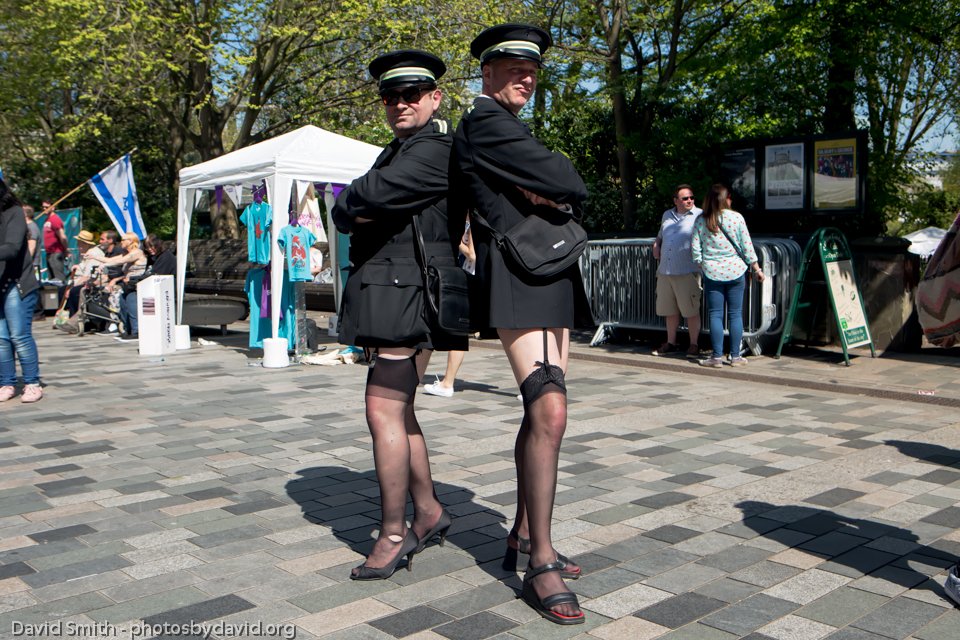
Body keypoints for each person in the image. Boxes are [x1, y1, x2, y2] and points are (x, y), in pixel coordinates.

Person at [451, 24, 589, 625]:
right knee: (549, 408)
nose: (524, 78)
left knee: (546, 412)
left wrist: (541, 188)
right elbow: (569, 182)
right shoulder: (486, 122)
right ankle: (540, 561)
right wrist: (543, 188)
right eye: (511, 68)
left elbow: (556, 188)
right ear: (486, 73)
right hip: (517, 271)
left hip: (545, 268)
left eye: (530, 71)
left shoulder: (510, 127)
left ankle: (522, 535)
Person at [332, 49, 464, 580]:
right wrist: (355, 203)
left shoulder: (433, 148)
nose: (400, 104)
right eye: (390, 97)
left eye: (412, 94)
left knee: (381, 410)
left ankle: (393, 532)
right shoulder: (402, 149)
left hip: (407, 294)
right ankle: (428, 511)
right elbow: (348, 207)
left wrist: (357, 203)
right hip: (399, 292)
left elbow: (365, 196)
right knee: (400, 410)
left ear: (434, 97)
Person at [691, 183, 765, 368]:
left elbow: (695, 248)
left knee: (715, 315)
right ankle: (735, 357)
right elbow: (747, 245)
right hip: (736, 271)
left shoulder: (702, 220)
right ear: (726, 198)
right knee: (735, 314)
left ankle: (716, 357)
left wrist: (703, 264)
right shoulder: (736, 218)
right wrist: (757, 269)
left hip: (712, 272)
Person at [0, 179, 43, 403]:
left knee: (19, 335)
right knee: (1, 338)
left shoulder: (14, 212)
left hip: (17, 283)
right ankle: (6, 383)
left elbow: (12, 247)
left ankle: (32, 383)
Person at [652, 184, 702, 358]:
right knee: (669, 309)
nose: (689, 201)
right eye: (685, 198)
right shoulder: (667, 215)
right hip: (666, 270)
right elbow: (661, 234)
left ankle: (694, 344)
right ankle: (671, 342)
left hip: (687, 270)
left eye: (691, 197)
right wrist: (657, 244)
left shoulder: (700, 215)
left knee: (691, 310)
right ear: (676, 200)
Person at [85, 232, 147, 338]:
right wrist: (93, 257)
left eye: (123, 240)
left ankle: (136, 331)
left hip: (136, 285)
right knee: (123, 306)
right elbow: (111, 260)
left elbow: (121, 261)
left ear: (131, 241)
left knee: (131, 307)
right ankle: (128, 330)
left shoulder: (137, 252)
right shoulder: (126, 253)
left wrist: (104, 265)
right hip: (127, 285)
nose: (121, 242)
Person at [41, 200, 70, 281]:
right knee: (51, 278)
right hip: (49, 253)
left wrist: (66, 250)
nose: (44, 209)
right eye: (43, 207)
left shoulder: (55, 219)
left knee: (58, 278)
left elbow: (62, 236)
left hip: (56, 252)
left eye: (46, 207)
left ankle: (61, 292)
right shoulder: (47, 220)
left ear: (53, 208)